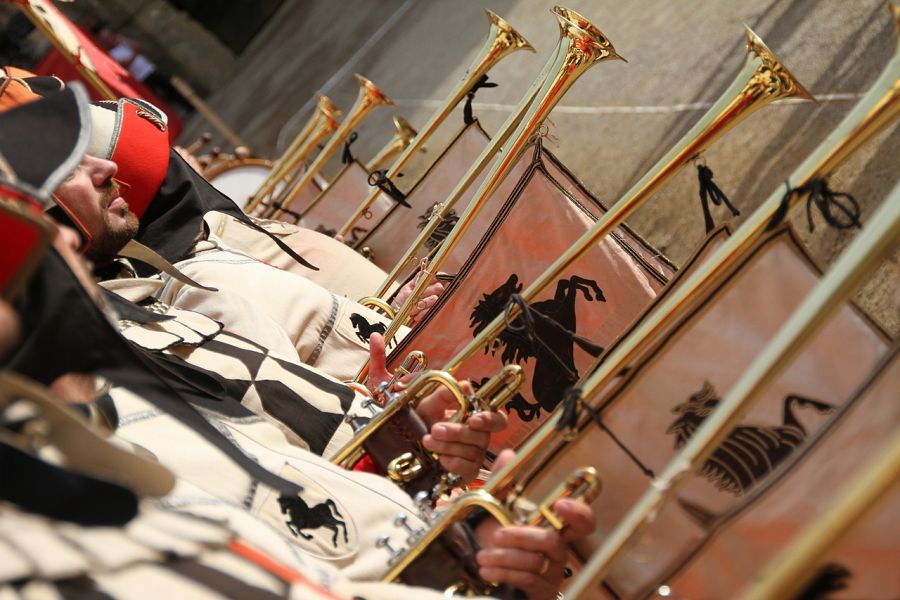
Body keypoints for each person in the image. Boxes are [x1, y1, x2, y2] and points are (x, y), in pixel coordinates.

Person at [0, 85, 598, 598]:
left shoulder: (149, 311)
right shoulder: (65, 489)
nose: (106, 169)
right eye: (28, 224)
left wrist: (405, 430)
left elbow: (301, 462)